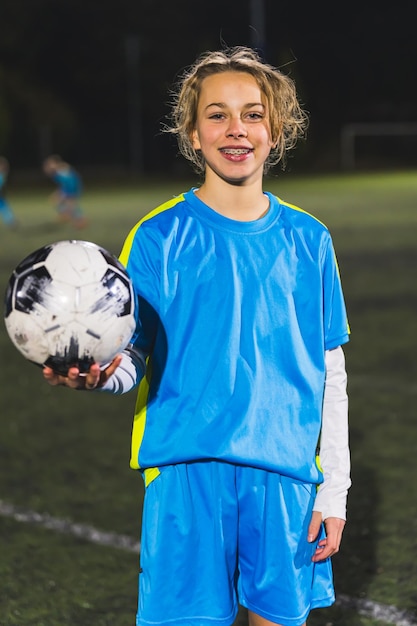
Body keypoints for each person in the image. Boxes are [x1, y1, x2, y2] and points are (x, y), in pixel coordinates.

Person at [43, 46, 351, 626]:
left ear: (276, 130)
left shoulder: (311, 241)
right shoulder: (158, 238)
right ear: (192, 132)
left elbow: (330, 371)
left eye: (253, 114)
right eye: (217, 114)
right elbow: (133, 355)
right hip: (187, 476)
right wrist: (101, 375)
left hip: (284, 477)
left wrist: (333, 491)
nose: (236, 129)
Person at [42, 154, 87, 229]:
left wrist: (70, 193)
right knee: (56, 200)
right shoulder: (56, 171)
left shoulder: (61, 169)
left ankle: (80, 220)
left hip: (71, 188)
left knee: (71, 205)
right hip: (66, 188)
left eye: (50, 163)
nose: (49, 166)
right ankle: (66, 215)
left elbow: (70, 180)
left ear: (56, 163)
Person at [0, 156, 19, 229]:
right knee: (4, 207)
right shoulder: (2, 175)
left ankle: (11, 221)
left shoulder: (2, 176)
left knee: (4, 207)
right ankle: (11, 221)